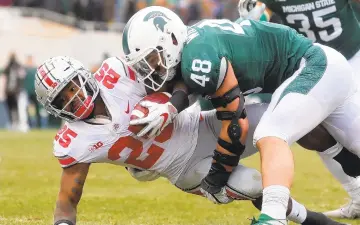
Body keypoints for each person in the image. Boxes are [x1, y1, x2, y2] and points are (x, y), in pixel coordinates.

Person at [35, 56, 346, 225]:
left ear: (83, 76)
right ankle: (310, 220)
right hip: (186, 167)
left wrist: (168, 101)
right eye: (64, 97)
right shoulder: (73, 140)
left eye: (73, 86)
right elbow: (67, 200)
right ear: (53, 107)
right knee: (253, 184)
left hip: (205, 124)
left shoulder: (118, 74)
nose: (74, 97)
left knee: (283, 119)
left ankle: (352, 168)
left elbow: (176, 72)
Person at [121, 6, 360, 225]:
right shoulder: (194, 46)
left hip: (313, 66)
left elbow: (236, 123)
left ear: (171, 39)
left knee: (271, 133)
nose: (154, 69)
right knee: (321, 136)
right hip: (326, 67)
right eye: (147, 65)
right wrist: (173, 104)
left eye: (155, 59)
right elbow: (186, 81)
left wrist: (218, 175)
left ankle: (274, 218)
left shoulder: (198, 55)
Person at [237, 0, 360, 218]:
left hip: (353, 56)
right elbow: (270, 23)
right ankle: (358, 195)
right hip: (316, 65)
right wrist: (255, 17)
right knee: (319, 131)